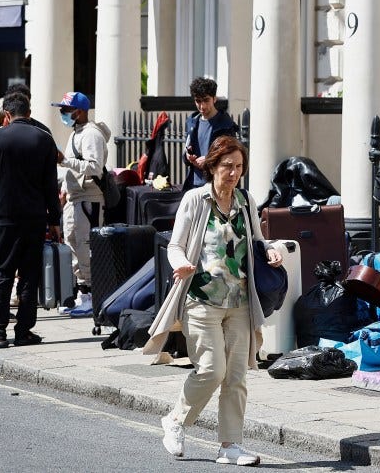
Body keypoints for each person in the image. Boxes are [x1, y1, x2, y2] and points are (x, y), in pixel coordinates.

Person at [145, 136, 282, 465]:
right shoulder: (195, 200)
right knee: (211, 370)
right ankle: (175, 421)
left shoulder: (245, 201)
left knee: (236, 377)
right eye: (227, 167)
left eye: (239, 167)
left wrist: (271, 249)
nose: (234, 173)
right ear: (212, 167)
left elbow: (258, 240)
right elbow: (175, 245)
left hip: (239, 303)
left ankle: (230, 445)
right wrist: (181, 263)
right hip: (201, 300)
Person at [0, 93, 62, 348]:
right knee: (29, 275)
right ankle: (23, 331)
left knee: (2, 273)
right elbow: (50, 185)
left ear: (7, 114)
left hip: (3, 217)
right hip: (34, 218)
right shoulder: (44, 139)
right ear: (29, 111)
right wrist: (55, 220)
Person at [52, 90, 112, 316]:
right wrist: (65, 189)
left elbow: (94, 167)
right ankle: (83, 294)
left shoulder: (91, 135)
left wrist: (65, 161)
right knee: (73, 242)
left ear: (79, 111)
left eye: (66, 110)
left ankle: (91, 295)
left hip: (89, 197)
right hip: (75, 196)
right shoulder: (76, 133)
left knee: (87, 246)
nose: (63, 114)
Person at [182, 77, 238, 192]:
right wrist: (188, 156)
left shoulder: (226, 125)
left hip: (217, 185)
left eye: (206, 100)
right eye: (198, 101)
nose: (202, 106)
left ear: (214, 99)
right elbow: (186, 151)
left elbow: (232, 157)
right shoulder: (192, 122)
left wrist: (208, 160)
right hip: (193, 184)